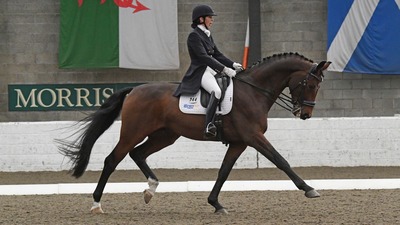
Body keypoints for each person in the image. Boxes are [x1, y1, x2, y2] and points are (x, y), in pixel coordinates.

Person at [173, 4, 242, 138]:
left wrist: (233, 64)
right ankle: (208, 125)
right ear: (201, 19)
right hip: (201, 72)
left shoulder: (207, 35)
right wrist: (225, 70)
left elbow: (218, 55)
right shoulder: (194, 36)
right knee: (216, 91)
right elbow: (203, 57)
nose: (212, 20)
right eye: (209, 17)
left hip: (211, 71)